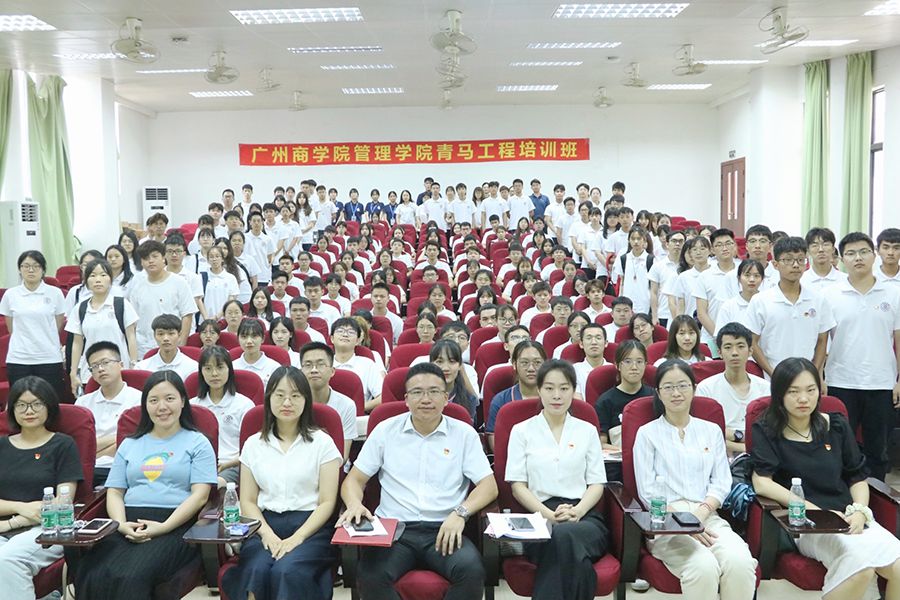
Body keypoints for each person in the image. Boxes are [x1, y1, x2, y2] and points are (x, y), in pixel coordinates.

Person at [338, 363, 498, 600]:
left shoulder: (464, 434)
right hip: (395, 531)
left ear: (446, 398)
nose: (426, 399)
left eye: (434, 392)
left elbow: (488, 486)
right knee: (371, 575)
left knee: (471, 571)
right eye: (417, 392)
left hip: (445, 528)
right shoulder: (385, 431)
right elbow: (354, 480)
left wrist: (460, 513)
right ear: (406, 399)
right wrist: (354, 504)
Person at [751, 357, 900, 600]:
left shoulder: (836, 425)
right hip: (807, 524)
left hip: (849, 517)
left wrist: (860, 511)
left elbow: (857, 475)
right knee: (860, 568)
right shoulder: (767, 429)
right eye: (794, 392)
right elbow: (762, 482)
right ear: (779, 394)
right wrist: (817, 512)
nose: (803, 399)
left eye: (810, 390)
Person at [68, 370, 217, 599]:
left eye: (169, 398)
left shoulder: (198, 442)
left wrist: (164, 527)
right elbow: (115, 492)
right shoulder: (130, 443)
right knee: (93, 571)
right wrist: (120, 524)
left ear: (182, 401)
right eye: (153, 400)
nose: (162, 407)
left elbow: (200, 496)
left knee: (132, 576)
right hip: (127, 522)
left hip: (175, 524)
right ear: (145, 405)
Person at [634, 360, 757, 600]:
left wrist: (700, 514)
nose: (676, 393)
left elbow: (721, 481)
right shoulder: (647, 434)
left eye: (682, 385)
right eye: (668, 387)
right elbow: (647, 491)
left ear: (694, 388)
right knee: (703, 566)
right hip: (667, 522)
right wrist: (684, 522)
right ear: (658, 392)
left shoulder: (711, 430)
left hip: (708, 515)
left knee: (740, 562)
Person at [221, 367, 341, 600]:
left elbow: (327, 502)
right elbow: (248, 501)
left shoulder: (322, 443)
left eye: (295, 395)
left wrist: (297, 538)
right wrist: (267, 535)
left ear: (306, 400)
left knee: (286, 571)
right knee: (256, 570)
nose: (287, 402)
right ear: (269, 399)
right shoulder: (253, 444)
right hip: (264, 524)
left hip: (310, 526)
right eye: (280, 395)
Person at [506, 360, 610, 600]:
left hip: (584, 516)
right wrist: (550, 515)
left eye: (564, 388)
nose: (556, 395)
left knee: (564, 535)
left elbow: (597, 483)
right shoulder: (521, 431)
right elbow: (517, 487)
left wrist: (577, 511)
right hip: (539, 518)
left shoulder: (587, 430)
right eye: (549, 388)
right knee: (575, 558)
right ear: (539, 390)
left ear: (573, 390)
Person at [821, 232, 900, 481]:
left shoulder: (893, 294)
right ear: (841, 258)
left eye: (864, 252)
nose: (858, 258)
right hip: (840, 381)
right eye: (851, 253)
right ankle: (842, 495)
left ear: (874, 255)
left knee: (879, 450)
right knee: (837, 446)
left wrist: (899, 381)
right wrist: (820, 377)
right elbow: (821, 341)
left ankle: (877, 498)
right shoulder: (830, 294)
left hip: (881, 383)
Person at [0, 377, 84, 600]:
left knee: (6, 559)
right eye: (21, 405)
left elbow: (62, 501)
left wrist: (16, 522)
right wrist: (21, 508)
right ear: (12, 409)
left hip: (47, 529)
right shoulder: (1, 446)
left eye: (36, 403)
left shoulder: (63, 444)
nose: (29, 411)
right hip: (4, 525)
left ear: (49, 406)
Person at [746, 237, 835, 377]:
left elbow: (822, 341)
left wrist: (814, 373)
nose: (795, 265)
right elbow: (752, 341)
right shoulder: (761, 300)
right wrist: (773, 373)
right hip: (771, 377)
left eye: (800, 260)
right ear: (775, 264)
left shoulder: (818, 300)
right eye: (788, 260)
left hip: (807, 377)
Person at [0, 250, 67, 399]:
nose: (31, 270)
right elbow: (11, 327)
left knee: (50, 400)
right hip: (19, 358)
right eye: (26, 266)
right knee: (20, 401)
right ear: (20, 269)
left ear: (43, 269)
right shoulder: (11, 295)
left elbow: (58, 324)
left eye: (36, 266)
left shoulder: (55, 293)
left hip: (49, 357)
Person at [67, 258, 139, 395]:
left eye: (103, 275)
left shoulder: (121, 304)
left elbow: (131, 337)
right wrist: (73, 372)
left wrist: (133, 364)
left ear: (110, 280)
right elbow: (77, 343)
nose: (98, 280)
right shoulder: (80, 308)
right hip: (90, 372)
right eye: (93, 276)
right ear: (86, 281)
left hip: (119, 369)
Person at [76, 342, 142, 487]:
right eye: (94, 366)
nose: (100, 369)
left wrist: (94, 450)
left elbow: (135, 443)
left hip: (125, 468)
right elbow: (79, 446)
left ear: (121, 365)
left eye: (105, 362)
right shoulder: (82, 403)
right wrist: (115, 440)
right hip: (86, 470)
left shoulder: (139, 399)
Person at [696, 323, 769, 453]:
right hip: (718, 454)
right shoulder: (705, 388)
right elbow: (704, 433)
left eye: (740, 346)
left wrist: (731, 436)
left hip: (761, 455)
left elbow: (770, 432)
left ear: (750, 351)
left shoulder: (766, 388)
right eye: (728, 347)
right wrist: (744, 443)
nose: (734, 353)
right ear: (719, 352)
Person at [191, 346, 254, 487]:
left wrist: (227, 464)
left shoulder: (244, 404)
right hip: (198, 464)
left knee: (212, 485)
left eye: (220, 367)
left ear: (229, 370)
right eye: (208, 369)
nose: (214, 374)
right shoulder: (193, 406)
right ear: (201, 372)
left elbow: (252, 448)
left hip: (233, 464)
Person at [127, 241, 196, 357]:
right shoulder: (137, 288)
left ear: (164, 258)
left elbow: (187, 315)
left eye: (155, 256)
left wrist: (181, 342)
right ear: (141, 262)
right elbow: (133, 322)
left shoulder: (179, 283)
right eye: (146, 258)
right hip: (144, 347)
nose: (151, 261)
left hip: (172, 345)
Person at [299, 342, 359, 462]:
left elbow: (343, 454)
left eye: (321, 364)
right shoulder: (292, 403)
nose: (314, 370)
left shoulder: (346, 405)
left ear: (332, 371)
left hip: (334, 465)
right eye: (308, 365)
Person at [485, 341, 546, 446]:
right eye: (524, 363)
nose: (531, 369)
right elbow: (495, 441)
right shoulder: (501, 400)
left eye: (537, 362)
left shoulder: (555, 398)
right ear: (514, 365)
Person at [594, 340, 653, 448]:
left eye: (639, 362)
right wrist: (625, 453)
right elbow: (601, 444)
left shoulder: (654, 397)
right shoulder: (605, 401)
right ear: (617, 365)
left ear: (645, 365)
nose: (634, 367)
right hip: (619, 456)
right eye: (628, 361)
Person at [694, 228, 740, 355]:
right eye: (719, 245)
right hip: (711, 338)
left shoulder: (744, 273)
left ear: (735, 246)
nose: (724, 248)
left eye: (728, 243)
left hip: (741, 339)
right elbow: (701, 313)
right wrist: (719, 336)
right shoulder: (704, 276)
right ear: (712, 250)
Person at [330, 318, 385, 412]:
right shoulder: (324, 364)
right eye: (340, 331)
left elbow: (382, 396)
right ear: (332, 338)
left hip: (359, 416)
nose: (345, 335)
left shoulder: (368, 364)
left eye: (351, 332)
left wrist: (357, 408)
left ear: (358, 340)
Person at [134, 314, 198, 381]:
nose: (166, 338)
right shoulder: (141, 368)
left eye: (171, 334)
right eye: (161, 334)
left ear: (179, 335)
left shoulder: (193, 368)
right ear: (154, 336)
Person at [429, 339, 478, 424]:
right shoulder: (421, 396)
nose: (445, 368)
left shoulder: (469, 399)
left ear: (460, 366)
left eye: (452, 362)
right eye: (439, 362)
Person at [715, 259, 764, 335]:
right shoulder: (728, 307)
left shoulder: (767, 304)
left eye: (756, 276)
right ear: (739, 278)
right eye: (747, 275)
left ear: (762, 279)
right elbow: (720, 336)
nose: (752, 279)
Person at [649, 228, 684, 328]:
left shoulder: (688, 267)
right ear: (667, 244)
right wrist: (654, 315)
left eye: (681, 241)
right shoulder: (658, 266)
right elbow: (653, 292)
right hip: (663, 314)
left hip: (683, 313)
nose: (677, 244)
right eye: (674, 241)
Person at [233, 318, 281, 387]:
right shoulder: (232, 367)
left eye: (254, 336)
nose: (249, 341)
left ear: (263, 339)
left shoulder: (274, 368)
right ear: (238, 339)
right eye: (244, 337)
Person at [800, 227, 847, 292]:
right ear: (808, 251)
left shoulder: (845, 280)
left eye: (825, 244)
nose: (821, 249)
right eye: (815, 245)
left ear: (833, 249)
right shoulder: (800, 280)